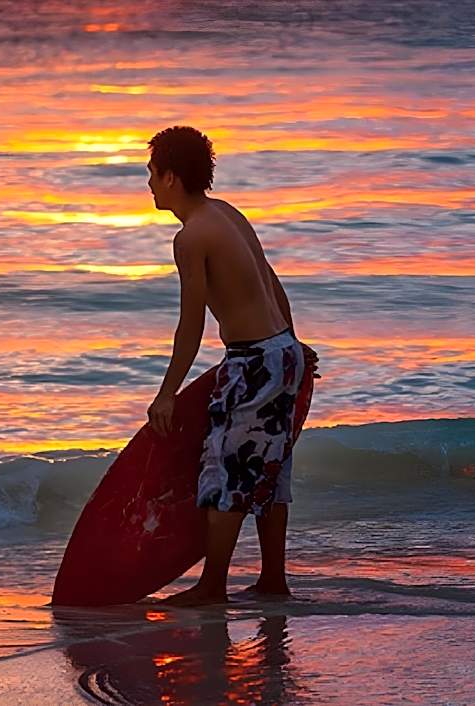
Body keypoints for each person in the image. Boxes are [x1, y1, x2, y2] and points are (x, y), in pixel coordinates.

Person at [144, 125, 320, 607]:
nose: (150, 184)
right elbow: (272, 282)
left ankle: (212, 587)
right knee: (271, 467)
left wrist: (167, 393)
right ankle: (272, 580)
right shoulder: (227, 214)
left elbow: (191, 323)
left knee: (225, 466)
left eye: (153, 174)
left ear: (173, 177)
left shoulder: (191, 236)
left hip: (253, 361)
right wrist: (295, 344)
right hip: (282, 350)